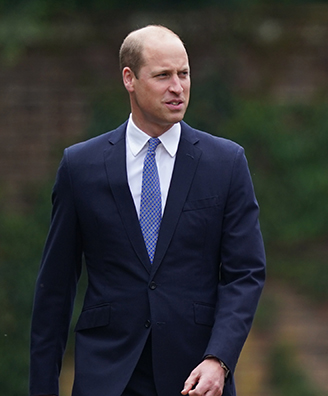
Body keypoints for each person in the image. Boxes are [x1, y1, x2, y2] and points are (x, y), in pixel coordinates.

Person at [29, 25, 265, 396]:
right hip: (107, 375)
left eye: (184, 74)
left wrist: (219, 359)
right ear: (130, 79)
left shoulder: (226, 162)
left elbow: (245, 273)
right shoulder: (80, 167)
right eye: (163, 76)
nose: (177, 87)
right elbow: (55, 289)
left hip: (196, 376)